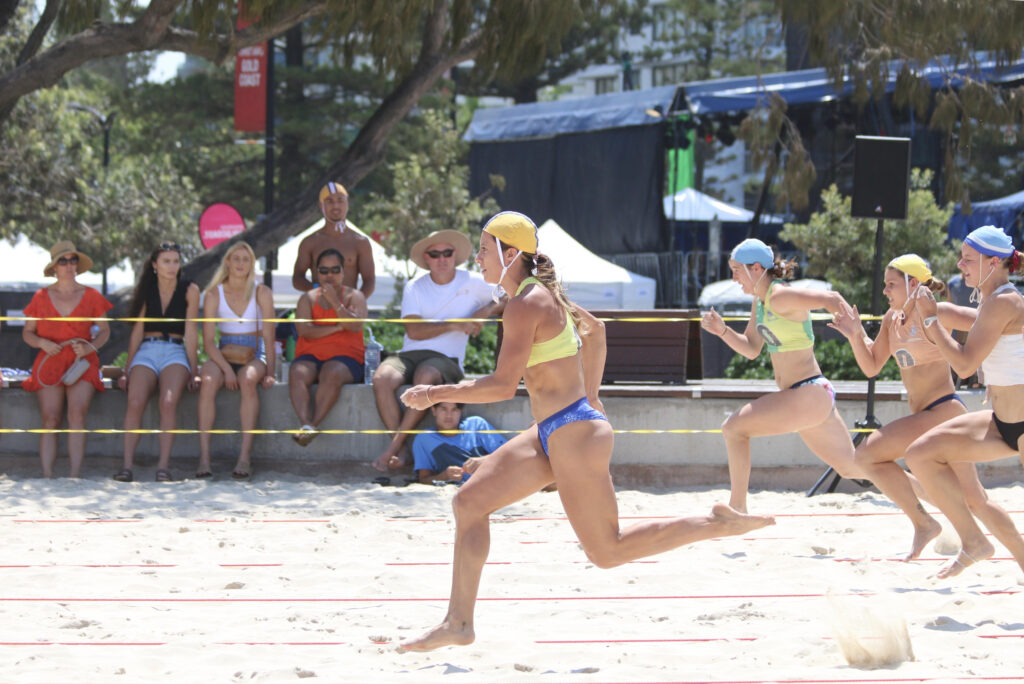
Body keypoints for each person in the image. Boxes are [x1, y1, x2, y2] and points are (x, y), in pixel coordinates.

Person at [396, 212, 774, 651]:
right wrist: (590, 397)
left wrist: (432, 394)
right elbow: (596, 331)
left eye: (483, 250)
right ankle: (459, 622)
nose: (476, 258)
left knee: (607, 551)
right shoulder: (536, 295)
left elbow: (502, 386)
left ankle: (714, 524)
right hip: (555, 429)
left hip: (573, 432)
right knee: (469, 501)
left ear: (510, 254)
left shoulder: (526, 302)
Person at [830, 254, 1024, 566]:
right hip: (926, 414)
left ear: (914, 284)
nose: (885, 291)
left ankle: (925, 523)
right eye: (885, 285)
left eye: (891, 284)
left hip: (943, 411)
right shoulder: (890, 321)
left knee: (867, 456)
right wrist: (855, 335)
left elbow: (989, 320)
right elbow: (871, 366)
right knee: (977, 501)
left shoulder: (938, 312)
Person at [700, 239, 858, 513]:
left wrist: (862, 339)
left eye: (737, 270)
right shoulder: (760, 304)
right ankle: (929, 504)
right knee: (853, 466)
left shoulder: (780, 295)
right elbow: (751, 349)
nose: (734, 277)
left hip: (807, 392)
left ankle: (738, 509)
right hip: (807, 395)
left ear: (757, 268)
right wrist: (723, 331)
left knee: (733, 428)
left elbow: (831, 299)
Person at [904, 226, 1024, 579]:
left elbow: (965, 364)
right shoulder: (993, 302)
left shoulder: (1006, 301)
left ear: (995, 262)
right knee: (921, 455)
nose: (960, 265)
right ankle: (974, 541)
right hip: (1003, 422)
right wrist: (926, 310)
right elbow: (963, 318)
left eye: (968, 260)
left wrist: (929, 319)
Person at [370, 229, 500, 472]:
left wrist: (487, 310)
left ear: (455, 256)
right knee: (381, 377)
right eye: (435, 253)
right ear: (426, 258)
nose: (441, 258)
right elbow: (413, 332)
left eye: (447, 253)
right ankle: (402, 450)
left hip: (446, 359)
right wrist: (455, 323)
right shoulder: (414, 286)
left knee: (425, 376)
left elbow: (510, 292)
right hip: (410, 353)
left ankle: (392, 451)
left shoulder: (473, 281)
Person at [22, 241, 112, 478]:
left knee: (76, 414)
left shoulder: (92, 295)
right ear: (54, 267)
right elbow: (27, 333)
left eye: (73, 260)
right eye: (63, 261)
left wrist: (89, 346)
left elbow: (105, 331)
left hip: (82, 362)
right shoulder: (40, 297)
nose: (69, 265)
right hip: (49, 360)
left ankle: (74, 476)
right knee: (50, 418)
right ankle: (47, 475)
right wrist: (42, 343)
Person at [112, 243, 200, 483]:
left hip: (175, 350)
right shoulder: (146, 289)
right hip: (147, 350)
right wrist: (127, 369)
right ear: (154, 265)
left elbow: (191, 331)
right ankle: (127, 466)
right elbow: (137, 332)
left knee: (168, 401)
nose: (172, 266)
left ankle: (163, 467)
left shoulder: (190, 289)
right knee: (135, 399)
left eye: (175, 261)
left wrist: (194, 369)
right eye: (166, 261)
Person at [196, 242, 276, 479]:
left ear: (252, 264)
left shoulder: (262, 292)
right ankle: (204, 458)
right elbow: (209, 341)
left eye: (246, 259)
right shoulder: (213, 294)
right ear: (227, 262)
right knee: (209, 380)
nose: (241, 263)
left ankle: (244, 456)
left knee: (248, 379)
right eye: (236, 259)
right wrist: (226, 370)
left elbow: (269, 336)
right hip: (224, 351)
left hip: (255, 351)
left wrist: (271, 371)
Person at [288, 248, 366, 445]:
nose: (329, 275)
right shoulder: (307, 298)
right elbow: (304, 331)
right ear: (316, 273)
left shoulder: (355, 296)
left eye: (334, 270)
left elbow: (356, 325)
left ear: (343, 272)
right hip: (310, 354)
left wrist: (335, 302)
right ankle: (305, 423)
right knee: (297, 372)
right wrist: (338, 327)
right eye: (324, 271)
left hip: (346, 357)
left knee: (332, 372)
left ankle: (312, 425)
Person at [292, 182, 375, 298]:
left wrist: (357, 302)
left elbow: (369, 280)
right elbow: (297, 278)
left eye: (340, 200)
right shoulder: (310, 242)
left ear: (347, 203)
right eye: (329, 201)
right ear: (321, 205)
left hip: (348, 310)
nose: (336, 205)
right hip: (319, 309)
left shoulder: (360, 242)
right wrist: (318, 290)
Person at [411, 402, 506, 484]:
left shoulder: (476, 424)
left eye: (454, 409)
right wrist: (444, 476)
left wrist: (484, 460)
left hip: (493, 483)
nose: (449, 415)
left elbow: (508, 454)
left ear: (461, 411)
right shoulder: (424, 439)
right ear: (434, 410)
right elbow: (423, 479)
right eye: (443, 409)